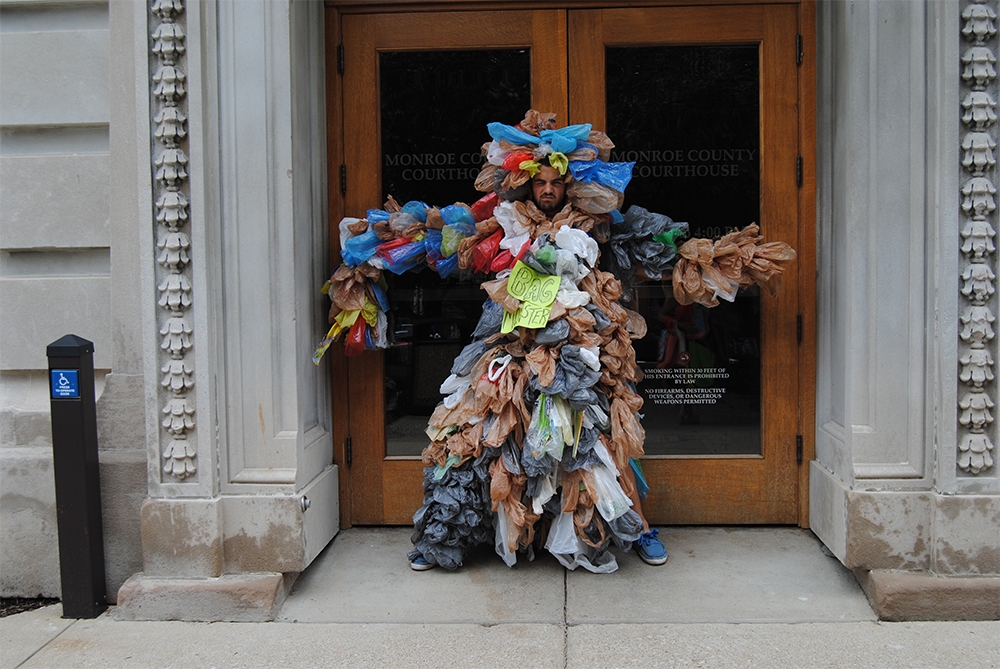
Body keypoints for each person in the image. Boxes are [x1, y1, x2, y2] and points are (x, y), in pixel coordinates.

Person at [409, 145, 668, 572]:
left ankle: (637, 527)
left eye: (556, 183)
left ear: (569, 187)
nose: (547, 190)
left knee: (599, 437)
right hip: (511, 343)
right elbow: (452, 242)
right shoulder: (504, 221)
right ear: (526, 183)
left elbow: (642, 249)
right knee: (477, 431)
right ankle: (447, 531)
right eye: (540, 182)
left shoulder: (595, 225)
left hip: (579, 350)